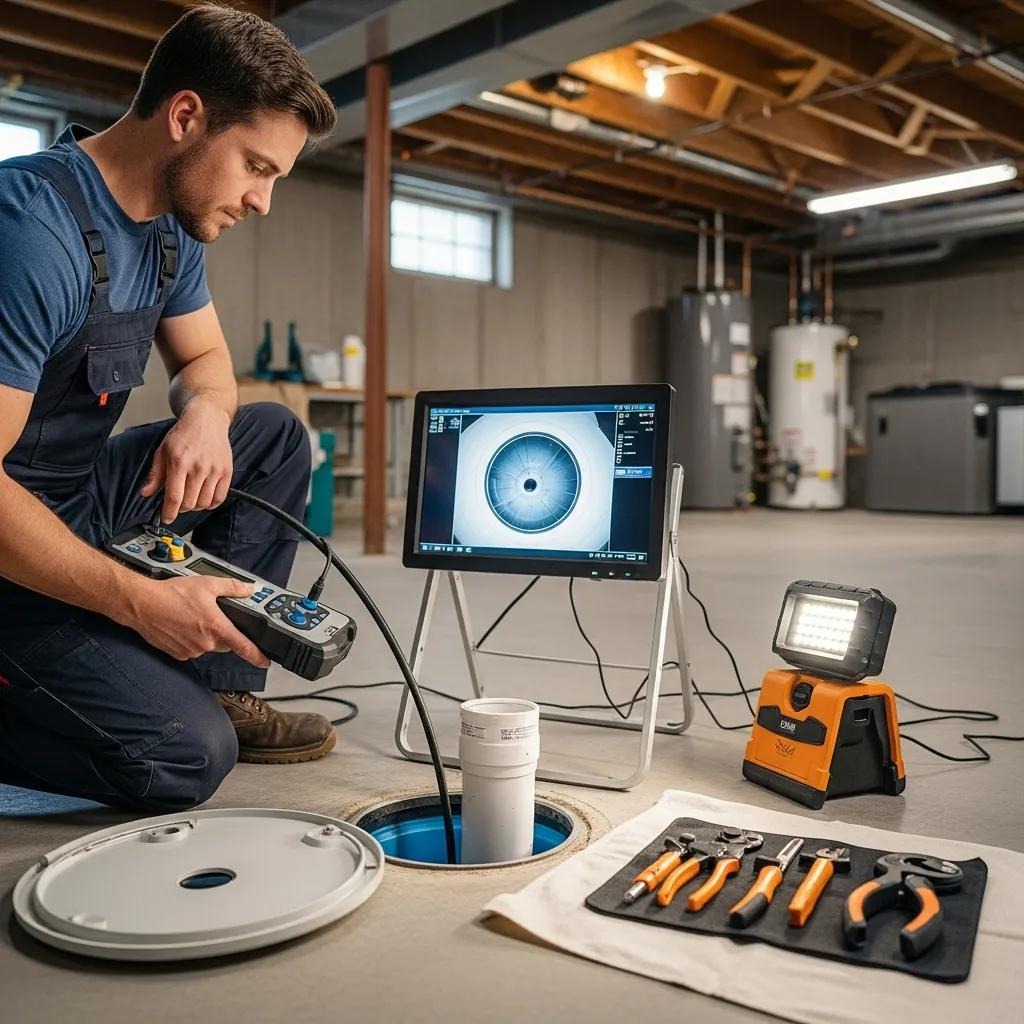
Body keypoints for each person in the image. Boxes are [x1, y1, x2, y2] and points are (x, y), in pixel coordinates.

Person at [0, 6, 341, 812]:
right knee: (183, 757)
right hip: (10, 547)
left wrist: (206, 415)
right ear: (185, 116)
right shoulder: (31, 233)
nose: (262, 201)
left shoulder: (169, 229)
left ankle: (220, 683)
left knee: (272, 434)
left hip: (75, 496)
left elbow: (206, 363)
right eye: (255, 166)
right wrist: (140, 605)